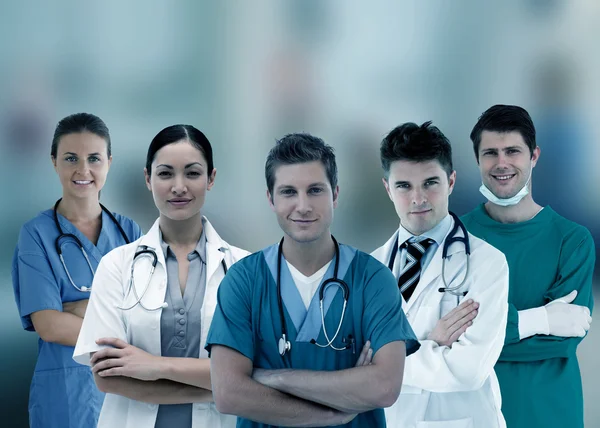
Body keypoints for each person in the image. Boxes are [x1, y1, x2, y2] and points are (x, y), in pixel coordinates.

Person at [206, 133, 419, 428]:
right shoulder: (244, 280)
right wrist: (334, 412)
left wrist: (273, 377)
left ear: (335, 194)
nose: (303, 206)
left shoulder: (373, 279)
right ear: (271, 199)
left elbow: (384, 386)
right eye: (288, 192)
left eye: (315, 190)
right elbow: (229, 393)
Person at [73, 125, 250, 428]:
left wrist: (154, 366)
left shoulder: (244, 269)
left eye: (192, 173)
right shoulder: (116, 266)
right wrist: (220, 390)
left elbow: (252, 372)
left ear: (211, 179)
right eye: (166, 174)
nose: (179, 186)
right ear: (148, 178)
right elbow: (107, 378)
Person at [461, 104, 594, 428]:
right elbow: (444, 334)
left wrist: (476, 342)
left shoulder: (572, 241)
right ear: (477, 159)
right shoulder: (455, 239)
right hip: (472, 415)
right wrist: (542, 319)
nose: (502, 162)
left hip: (549, 416)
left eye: (513, 151)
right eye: (490, 152)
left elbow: (563, 341)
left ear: (534, 156)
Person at [370, 121, 509, 427]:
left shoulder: (487, 263)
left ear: (451, 181)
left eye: (430, 183)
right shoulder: (368, 269)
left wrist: (384, 364)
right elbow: (349, 365)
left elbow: (468, 369)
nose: (418, 198)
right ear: (387, 188)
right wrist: (432, 345)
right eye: (404, 186)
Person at [11, 113, 142, 428]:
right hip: (64, 396)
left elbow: (144, 317)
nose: (83, 170)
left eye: (94, 158)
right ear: (54, 162)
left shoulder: (129, 232)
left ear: (109, 162)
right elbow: (50, 326)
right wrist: (114, 318)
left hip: (125, 392)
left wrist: (76, 309)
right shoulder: (36, 235)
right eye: (71, 158)